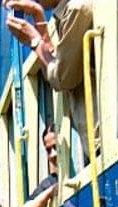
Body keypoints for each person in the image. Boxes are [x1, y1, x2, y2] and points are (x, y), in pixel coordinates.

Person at [5, 0, 96, 154]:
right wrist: (38, 17)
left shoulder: (76, 9)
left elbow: (63, 79)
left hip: (101, 143)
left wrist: (34, 41)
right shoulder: (63, 15)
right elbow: (53, 70)